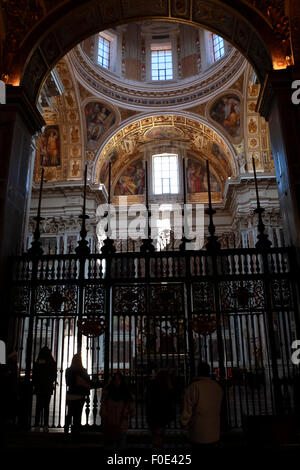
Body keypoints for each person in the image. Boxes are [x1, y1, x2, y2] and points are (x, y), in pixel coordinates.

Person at [180, 362, 223, 450]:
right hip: (214, 431)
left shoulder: (194, 387)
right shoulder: (217, 387)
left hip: (199, 432)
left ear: (198, 371)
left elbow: (187, 409)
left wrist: (183, 422)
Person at [100, 372, 135, 449]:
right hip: (114, 423)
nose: (117, 381)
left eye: (118, 379)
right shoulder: (124, 393)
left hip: (119, 423)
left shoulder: (109, 393)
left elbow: (132, 409)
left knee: (116, 445)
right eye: (115, 379)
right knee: (116, 445)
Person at [146, 370, 176, 449]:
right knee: (160, 435)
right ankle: (158, 451)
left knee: (156, 435)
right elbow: (171, 399)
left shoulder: (152, 385)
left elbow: (148, 399)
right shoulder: (167, 387)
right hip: (163, 415)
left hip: (153, 414)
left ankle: (156, 450)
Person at [65, 354, 91, 440]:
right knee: (77, 416)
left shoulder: (68, 370)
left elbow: (68, 383)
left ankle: (66, 432)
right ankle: (76, 435)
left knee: (69, 414)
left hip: (70, 395)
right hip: (80, 396)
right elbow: (88, 384)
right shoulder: (83, 371)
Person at [32, 347, 57, 431]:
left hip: (39, 387)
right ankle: (45, 425)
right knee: (46, 407)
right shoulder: (52, 362)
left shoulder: (37, 362)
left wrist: (36, 383)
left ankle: (36, 425)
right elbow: (54, 375)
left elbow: (34, 375)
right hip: (48, 387)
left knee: (38, 406)